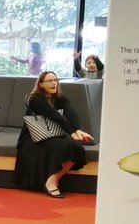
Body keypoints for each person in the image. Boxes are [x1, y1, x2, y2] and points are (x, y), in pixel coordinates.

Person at [14, 71, 93, 199]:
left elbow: (71, 113)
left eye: (55, 80)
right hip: (33, 137)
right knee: (60, 146)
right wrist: (72, 133)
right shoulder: (35, 99)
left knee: (77, 148)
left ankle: (52, 180)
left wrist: (78, 130)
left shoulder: (60, 98)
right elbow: (56, 117)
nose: (54, 83)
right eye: (49, 80)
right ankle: (51, 184)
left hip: (53, 134)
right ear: (41, 84)